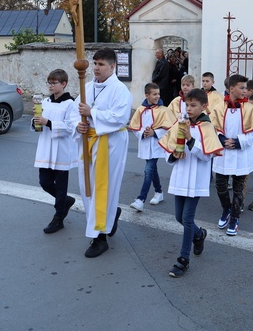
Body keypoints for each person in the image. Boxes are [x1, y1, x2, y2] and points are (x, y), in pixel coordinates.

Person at [72, 49, 133, 258]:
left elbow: (120, 117)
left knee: (103, 188)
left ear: (112, 67)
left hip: (110, 143)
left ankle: (100, 237)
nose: (96, 68)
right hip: (88, 141)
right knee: (86, 186)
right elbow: (74, 112)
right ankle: (109, 216)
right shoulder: (86, 87)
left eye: (101, 64)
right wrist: (77, 125)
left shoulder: (120, 90)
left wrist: (92, 113)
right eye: (95, 63)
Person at [158, 88, 223, 278]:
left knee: (187, 218)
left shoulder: (207, 127)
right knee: (179, 217)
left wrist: (189, 138)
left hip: (196, 180)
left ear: (204, 106)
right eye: (187, 104)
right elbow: (168, 148)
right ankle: (199, 234)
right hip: (181, 176)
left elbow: (205, 156)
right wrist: (173, 155)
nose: (189, 108)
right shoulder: (181, 123)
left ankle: (183, 260)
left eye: (193, 105)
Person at [209, 74, 253, 236]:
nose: (245, 91)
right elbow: (213, 127)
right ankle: (226, 209)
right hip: (223, 153)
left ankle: (234, 217)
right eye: (241, 88)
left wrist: (239, 141)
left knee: (239, 189)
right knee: (220, 186)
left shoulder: (250, 109)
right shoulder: (220, 108)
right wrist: (222, 139)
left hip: (241, 154)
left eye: (246, 88)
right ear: (231, 88)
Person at [33, 69, 77, 234]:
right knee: (44, 182)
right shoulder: (44, 101)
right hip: (46, 147)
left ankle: (59, 218)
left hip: (61, 149)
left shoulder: (70, 104)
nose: (51, 86)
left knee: (60, 186)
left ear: (64, 84)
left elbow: (71, 127)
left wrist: (48, 122)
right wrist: (36, 120)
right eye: (49, 83)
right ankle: (66, 201)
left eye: (54, 83)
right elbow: (39, 122)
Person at [128, 83, 177, 212]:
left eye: (158, 94)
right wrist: (143, 133)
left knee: (148, 170)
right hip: (145, 145)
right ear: (147, 95)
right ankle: (159, 192)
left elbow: (170, 128)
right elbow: (135, 128)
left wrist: (154, 133)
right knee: (152, 169)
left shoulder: (164, 110)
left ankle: (141, 199)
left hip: (156, 145)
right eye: (154, 94)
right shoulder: (140, 110)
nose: (157, 96)